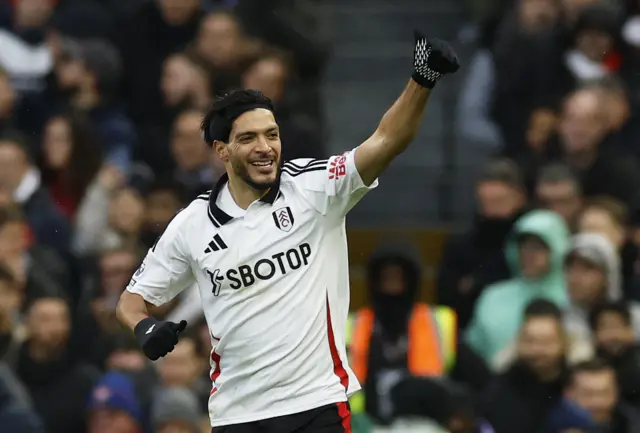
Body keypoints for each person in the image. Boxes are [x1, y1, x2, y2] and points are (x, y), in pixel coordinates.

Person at [116, 32, 460, 432]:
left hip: (316, 405)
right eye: (248, 138)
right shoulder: (192, 224)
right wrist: (145, 328)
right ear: (221, 150)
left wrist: (422, 79)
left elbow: (387, 140)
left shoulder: (315, 188)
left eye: (272, 134)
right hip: (237, 414)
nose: (265, 147)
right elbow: (131, 301)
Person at [465, 210, 570, 365]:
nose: (528, 254)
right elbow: (473, 350)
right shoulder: (493, 296)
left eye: (538, 247)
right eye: (523, 246)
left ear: (558, 248)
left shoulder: (572, 297)